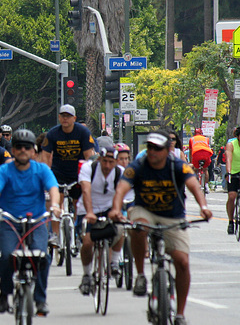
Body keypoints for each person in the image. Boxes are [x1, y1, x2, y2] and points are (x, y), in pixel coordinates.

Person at [109, 131, 212, 325]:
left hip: (172, 215)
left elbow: (194, 186)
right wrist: (116, 209)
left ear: (167, 150)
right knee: (139, 227)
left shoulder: (178, 166)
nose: (152, 152)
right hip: (144, 209)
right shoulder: (138, 166)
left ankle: (180, 314)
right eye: (150, 148)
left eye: (157, 148)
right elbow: (122, 188)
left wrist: (203, 207)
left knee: (182, 262)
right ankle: (140, 275)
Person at [0, 129, 61, 317]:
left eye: (27, 147)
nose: (22, 150)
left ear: (33, 151)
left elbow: (53, 188)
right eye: (18, 146)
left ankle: (40, 299)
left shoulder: (41, 170)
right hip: (10, 221)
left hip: (36, 221)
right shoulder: (5, 170)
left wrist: (56, 206)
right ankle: (5, 293)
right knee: (6, 258)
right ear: (13, 150)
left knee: (43, 257)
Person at [41, 104, 95, 246]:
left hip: (78, 173)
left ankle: (77, 232)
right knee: (56, 203)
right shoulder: (53, 134)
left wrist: (89, 176)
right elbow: (46, 155)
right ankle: (55, 234)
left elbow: (89, 155)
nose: (65, 119)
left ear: (74, 118)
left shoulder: (82, 132)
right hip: (58, 173)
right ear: (59, 117)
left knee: (78, 203)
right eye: (63, 116)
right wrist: (47, 175)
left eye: (68, 116)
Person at [77, 146, 125, 295]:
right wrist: (90, 213)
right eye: (104, 161)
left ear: (116, 162)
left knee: (122, 229)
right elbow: (85, 190)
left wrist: (116, 211)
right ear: (99, 160)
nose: (107, 166)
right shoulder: (88, 168)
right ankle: (86, 274)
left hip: (109, 209)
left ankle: (114, 262)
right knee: (87, 242)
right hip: (87, 209)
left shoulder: (120, 173)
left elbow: (120, 193)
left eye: (111, 162)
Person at [225, 126, 240, 234]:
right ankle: (231, 221)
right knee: (232, 196)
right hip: (234, 172)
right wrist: (229, 172)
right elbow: (229, 159)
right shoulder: (231, 145)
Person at [188, 128, 213, 193]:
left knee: (195, 169)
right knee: (205, 169)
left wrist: (191, 161)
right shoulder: (206, 138)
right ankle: (206, 185)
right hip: (206, 153)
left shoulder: (192, 139)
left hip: (196, 154)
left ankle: (195, 183)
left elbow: (190, 152)